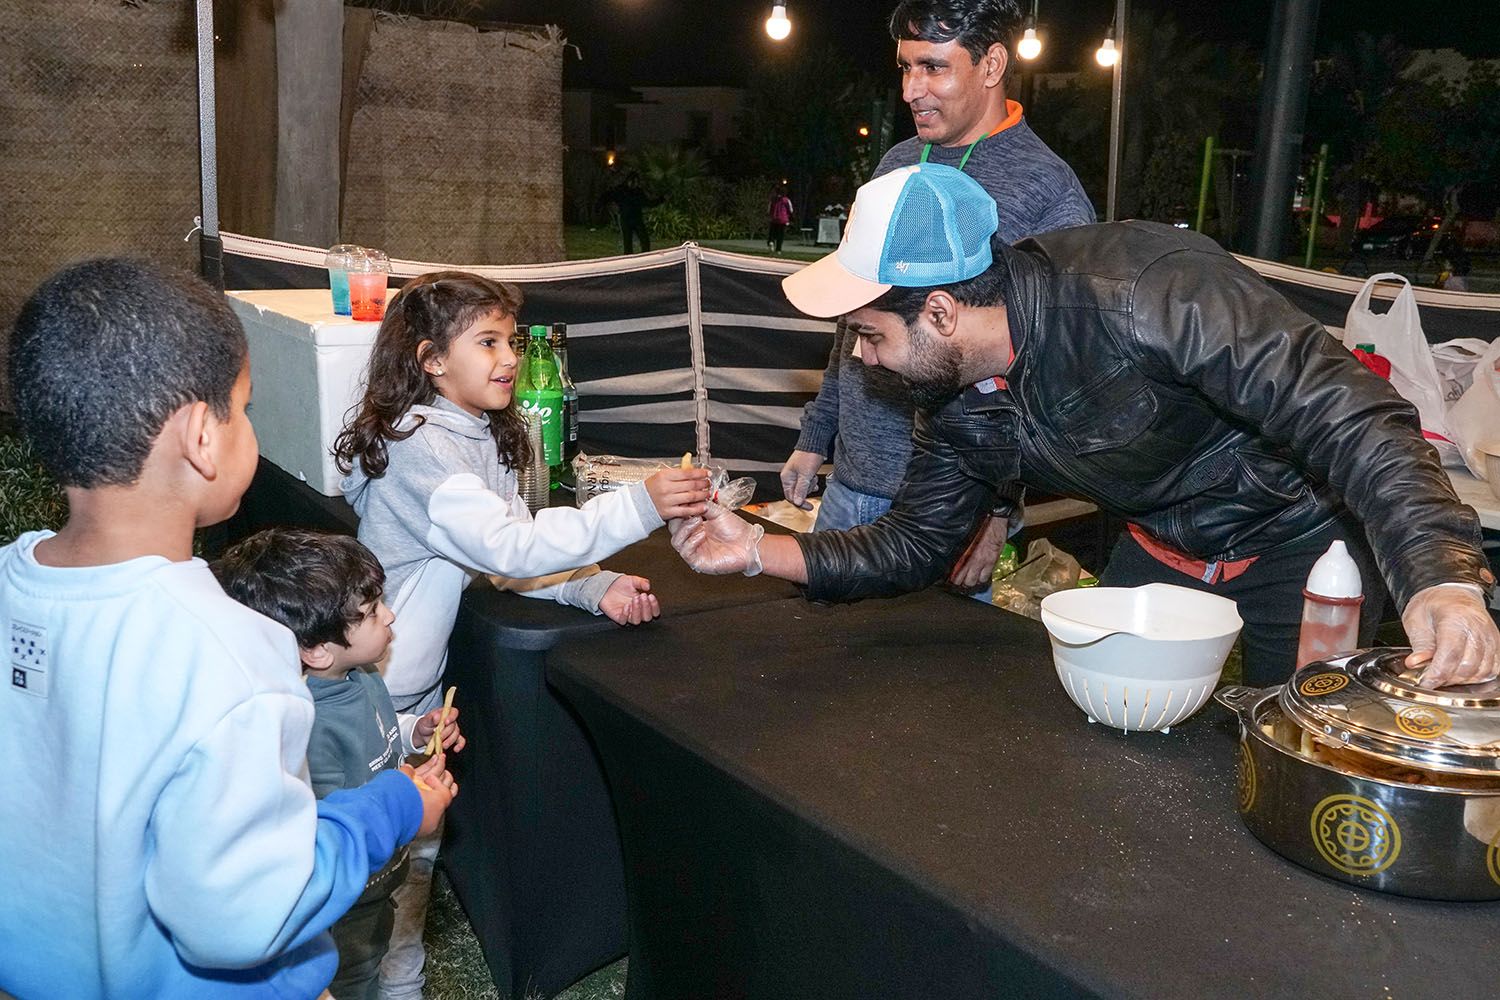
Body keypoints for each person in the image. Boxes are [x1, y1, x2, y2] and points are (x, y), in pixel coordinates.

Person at [673, 164, 1499, 689]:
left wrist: (1443, 578)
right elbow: (915, 543)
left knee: (1299, 753)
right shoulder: (952, 394)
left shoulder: (1148, 291)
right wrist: (754, 551)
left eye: (870, 335)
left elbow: (1352, 416)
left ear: (941, 311)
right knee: (1115, 759)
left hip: (1301, 545)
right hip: (1158, 550)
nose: (863, 360)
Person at [0, 259, 453, 999]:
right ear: (200, 438)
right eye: (243, 408)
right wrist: (392, 806)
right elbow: (245, 914)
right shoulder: (231, 649)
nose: (250, 429)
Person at [333, 269, 710, 998]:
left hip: (413, 704)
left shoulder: (471, 433)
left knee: (411, 877)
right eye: (488, 342)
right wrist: (639, 506)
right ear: (430, 360)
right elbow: (508, 548)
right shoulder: (420, 451)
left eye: (511, 341)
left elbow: (506, 553)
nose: (509, 358)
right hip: (373, 703)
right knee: (369, 888)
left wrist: (591, 585)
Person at [781, 0, 1094, 598]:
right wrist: (815, 437)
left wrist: (996, 512)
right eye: (905, 68)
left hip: (954, 508)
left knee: (932, 659)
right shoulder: (897, 162)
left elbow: (1048, 369)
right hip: (852, 480)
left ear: (992, 64)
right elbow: (857, 314)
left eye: (933, 67)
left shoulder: (1048, 191)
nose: (910, 90)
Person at [213, 528, 467, 1000]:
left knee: (377, 950)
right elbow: (326, 821)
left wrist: (414, 731)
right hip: (349, 891)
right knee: (354, 974)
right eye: (371, 613)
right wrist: (409, 792)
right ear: (316, 650)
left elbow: (376, 726)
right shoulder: (306, 724)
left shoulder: (358, 672)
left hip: (382, 868)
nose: (390, 615)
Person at [599, 171, 659, 255]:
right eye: (634, 182)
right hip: (626, 219)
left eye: (637, 182)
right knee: (627, 241)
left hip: (637, 218)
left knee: (644, 239)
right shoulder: (620, 190)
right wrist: (601, 206)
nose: (636, 184)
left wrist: (661, 199)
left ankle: (645, 255)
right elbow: (607, 196)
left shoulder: (638, 192)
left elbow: (648, 203)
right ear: (629, 181)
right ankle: (628, 256)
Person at [768, 184, 795, 254]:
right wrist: (790, 217)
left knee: (772, 232)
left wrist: (770, 215)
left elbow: (769, 209)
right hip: (783, 219)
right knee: (780, 235)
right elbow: (790, 210)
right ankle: (778, 249)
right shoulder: (786, 200)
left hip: (774, 219)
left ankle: (771, 241)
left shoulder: (773, 199)